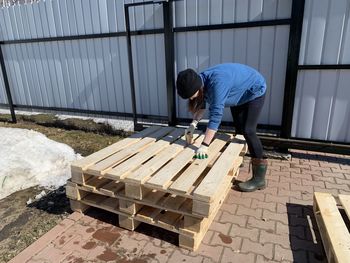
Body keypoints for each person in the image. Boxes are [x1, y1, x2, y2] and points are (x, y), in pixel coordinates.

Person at [176, 63, 268, 192]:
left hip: (253, 90)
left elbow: (216, 116)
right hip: (237, 91)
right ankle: (237, 162)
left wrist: (204, 145)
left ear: (197, 88)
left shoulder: (217, 83)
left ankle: (259, 179)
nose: (191, 98)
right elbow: (202, 107)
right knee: (239, 130)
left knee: (248, 130)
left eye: (192, 95)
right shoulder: (200, 81)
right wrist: (193, 124)